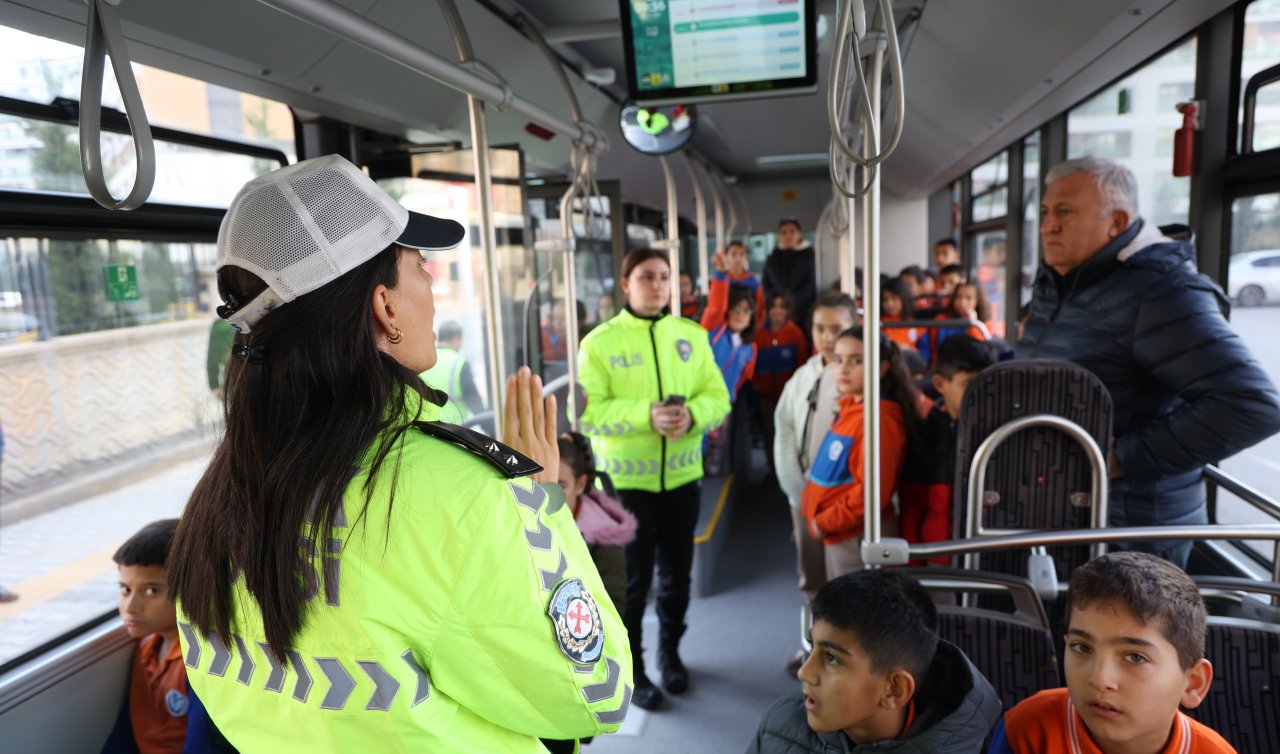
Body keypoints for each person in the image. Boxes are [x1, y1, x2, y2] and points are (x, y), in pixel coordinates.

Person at [167, 155, 630, 752]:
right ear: (384, 308)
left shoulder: (219, 498)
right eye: (419, 266)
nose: (434, 281)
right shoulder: (461, 494)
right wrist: (536, 507)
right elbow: (598, 690)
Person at [1018, 156, 1280, 567]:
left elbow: (1253, 405)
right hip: (1065, 512)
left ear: (1117, 222)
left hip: (1131, 532)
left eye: (1065, 212)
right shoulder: (1061, 281)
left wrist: (1122, 458)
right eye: (1047, 211)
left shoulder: (1163, 290)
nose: (1048, 225)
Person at [577, 247, 732, 710]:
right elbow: (586, 413)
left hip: (682, 478)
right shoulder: (599, 343)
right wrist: (646, 415)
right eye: (647, 277)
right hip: (627, 486)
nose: (658, 286)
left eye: (665, 277)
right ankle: (635, 666)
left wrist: (693, 417)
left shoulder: (690, 335)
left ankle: (670, 652)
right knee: (633, 583)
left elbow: (717, 396)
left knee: (677, 577)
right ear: (626, 284)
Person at [989, 552, 1234, 754]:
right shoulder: (1028, 729)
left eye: (1135, 657)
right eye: (1082, 647)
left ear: (1193, 683)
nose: (1099, 679)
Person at [746, 570, 1001, 754]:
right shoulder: (780, 724)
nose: (805, 672)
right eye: (812, 647)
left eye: (831, 658)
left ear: (894, 689)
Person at [802, 330, 920, 580]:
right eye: (839, 359)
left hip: (857, 537)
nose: (844, 369)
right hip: (841, 533)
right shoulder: (851, 408)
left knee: (854, 615)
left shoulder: (878, 420)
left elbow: (871, 494)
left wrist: (823, 523)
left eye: (857, 361)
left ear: (882, 368)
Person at [899, 335, 996, 566]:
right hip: (936, 555)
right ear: (941, 384)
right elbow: (912, 505)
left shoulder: (997, 435)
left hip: (986, 555)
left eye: (986, 383)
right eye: (969, 384)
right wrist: (911, 562)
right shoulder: (923, 436)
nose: (979, 393)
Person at [100, 519, 189, 754]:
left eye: (151, 591)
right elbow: (127, 729)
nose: (130, 607)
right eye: (125, 589)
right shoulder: (147, 644)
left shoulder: (196, 663)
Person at [557, 432, 637, 614]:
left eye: (560, 486)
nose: (550, 495)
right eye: (544, 484)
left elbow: (612, 608)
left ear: (580, 484)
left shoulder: (602, 537)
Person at [753, 292, 809, 474]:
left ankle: (791, 470)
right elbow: (752, 363)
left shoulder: (795, 333)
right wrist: (757, 384)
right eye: (774, 306)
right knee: (770, 433)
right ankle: (772, 469)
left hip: (790, 395)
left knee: (790, 433)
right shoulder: (759, 333)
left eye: (782, 307)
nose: (777, 311)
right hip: (766, 395)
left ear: (788, 311)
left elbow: (801, 364)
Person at [701, 279, 759, 405]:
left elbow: (742, 379)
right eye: (736, 309)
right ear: (728, 310)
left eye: (746, 311)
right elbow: (715, 308)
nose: (740, 315)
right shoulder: (715, 331)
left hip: (725, 405)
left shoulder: (750, 348)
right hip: (701, 400)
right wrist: (720, 275)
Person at [420, 320, 483, 424]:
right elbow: (475, 402)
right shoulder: (459, 363)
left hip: (427, 429)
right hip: (455, 432)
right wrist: (491, 430)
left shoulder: (425, 360)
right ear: (456, 339)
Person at [917, 282, 990, 367]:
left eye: (968, 298)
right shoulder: (941, 319)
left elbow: (980, 352)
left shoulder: (982, 324)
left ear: (978, 301)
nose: (962, 303)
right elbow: (932, 348)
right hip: (944, 366)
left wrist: (973, 324)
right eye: (958, 297)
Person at [763, 218, 818, 329]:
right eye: (784, 232)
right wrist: (778, 306)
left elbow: (811, 285)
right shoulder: (772, 258)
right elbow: (766, 285)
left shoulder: (810, 256)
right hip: (776, 313)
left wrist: (789, 305)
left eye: (792, 231)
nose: (788, 235)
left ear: (800, 234)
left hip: (804, 311)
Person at [715, 240, 767, 323]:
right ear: (726, 256)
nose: (738, 258)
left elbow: (761, 308)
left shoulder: (753, 282)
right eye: (733, 254)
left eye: (742, 254)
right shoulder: (721, 280)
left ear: (746, 256)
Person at [881, 277, 920, 352]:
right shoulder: (879, 323)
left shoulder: (917, 324)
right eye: (885, 299)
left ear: (904, 298)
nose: (890, 304)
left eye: (894, 298)